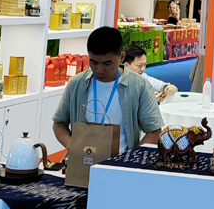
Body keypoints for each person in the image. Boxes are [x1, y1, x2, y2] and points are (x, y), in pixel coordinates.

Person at [52, 26, 163, 154]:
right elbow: (59, 124)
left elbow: (154, 131)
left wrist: (130, 158)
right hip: (83, 161)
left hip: (121, 162)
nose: (99, 70)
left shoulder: (139, 86)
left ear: (122, 57)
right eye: (93, 62)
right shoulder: (77, 84)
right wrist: (73, 146)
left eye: (107, 64)